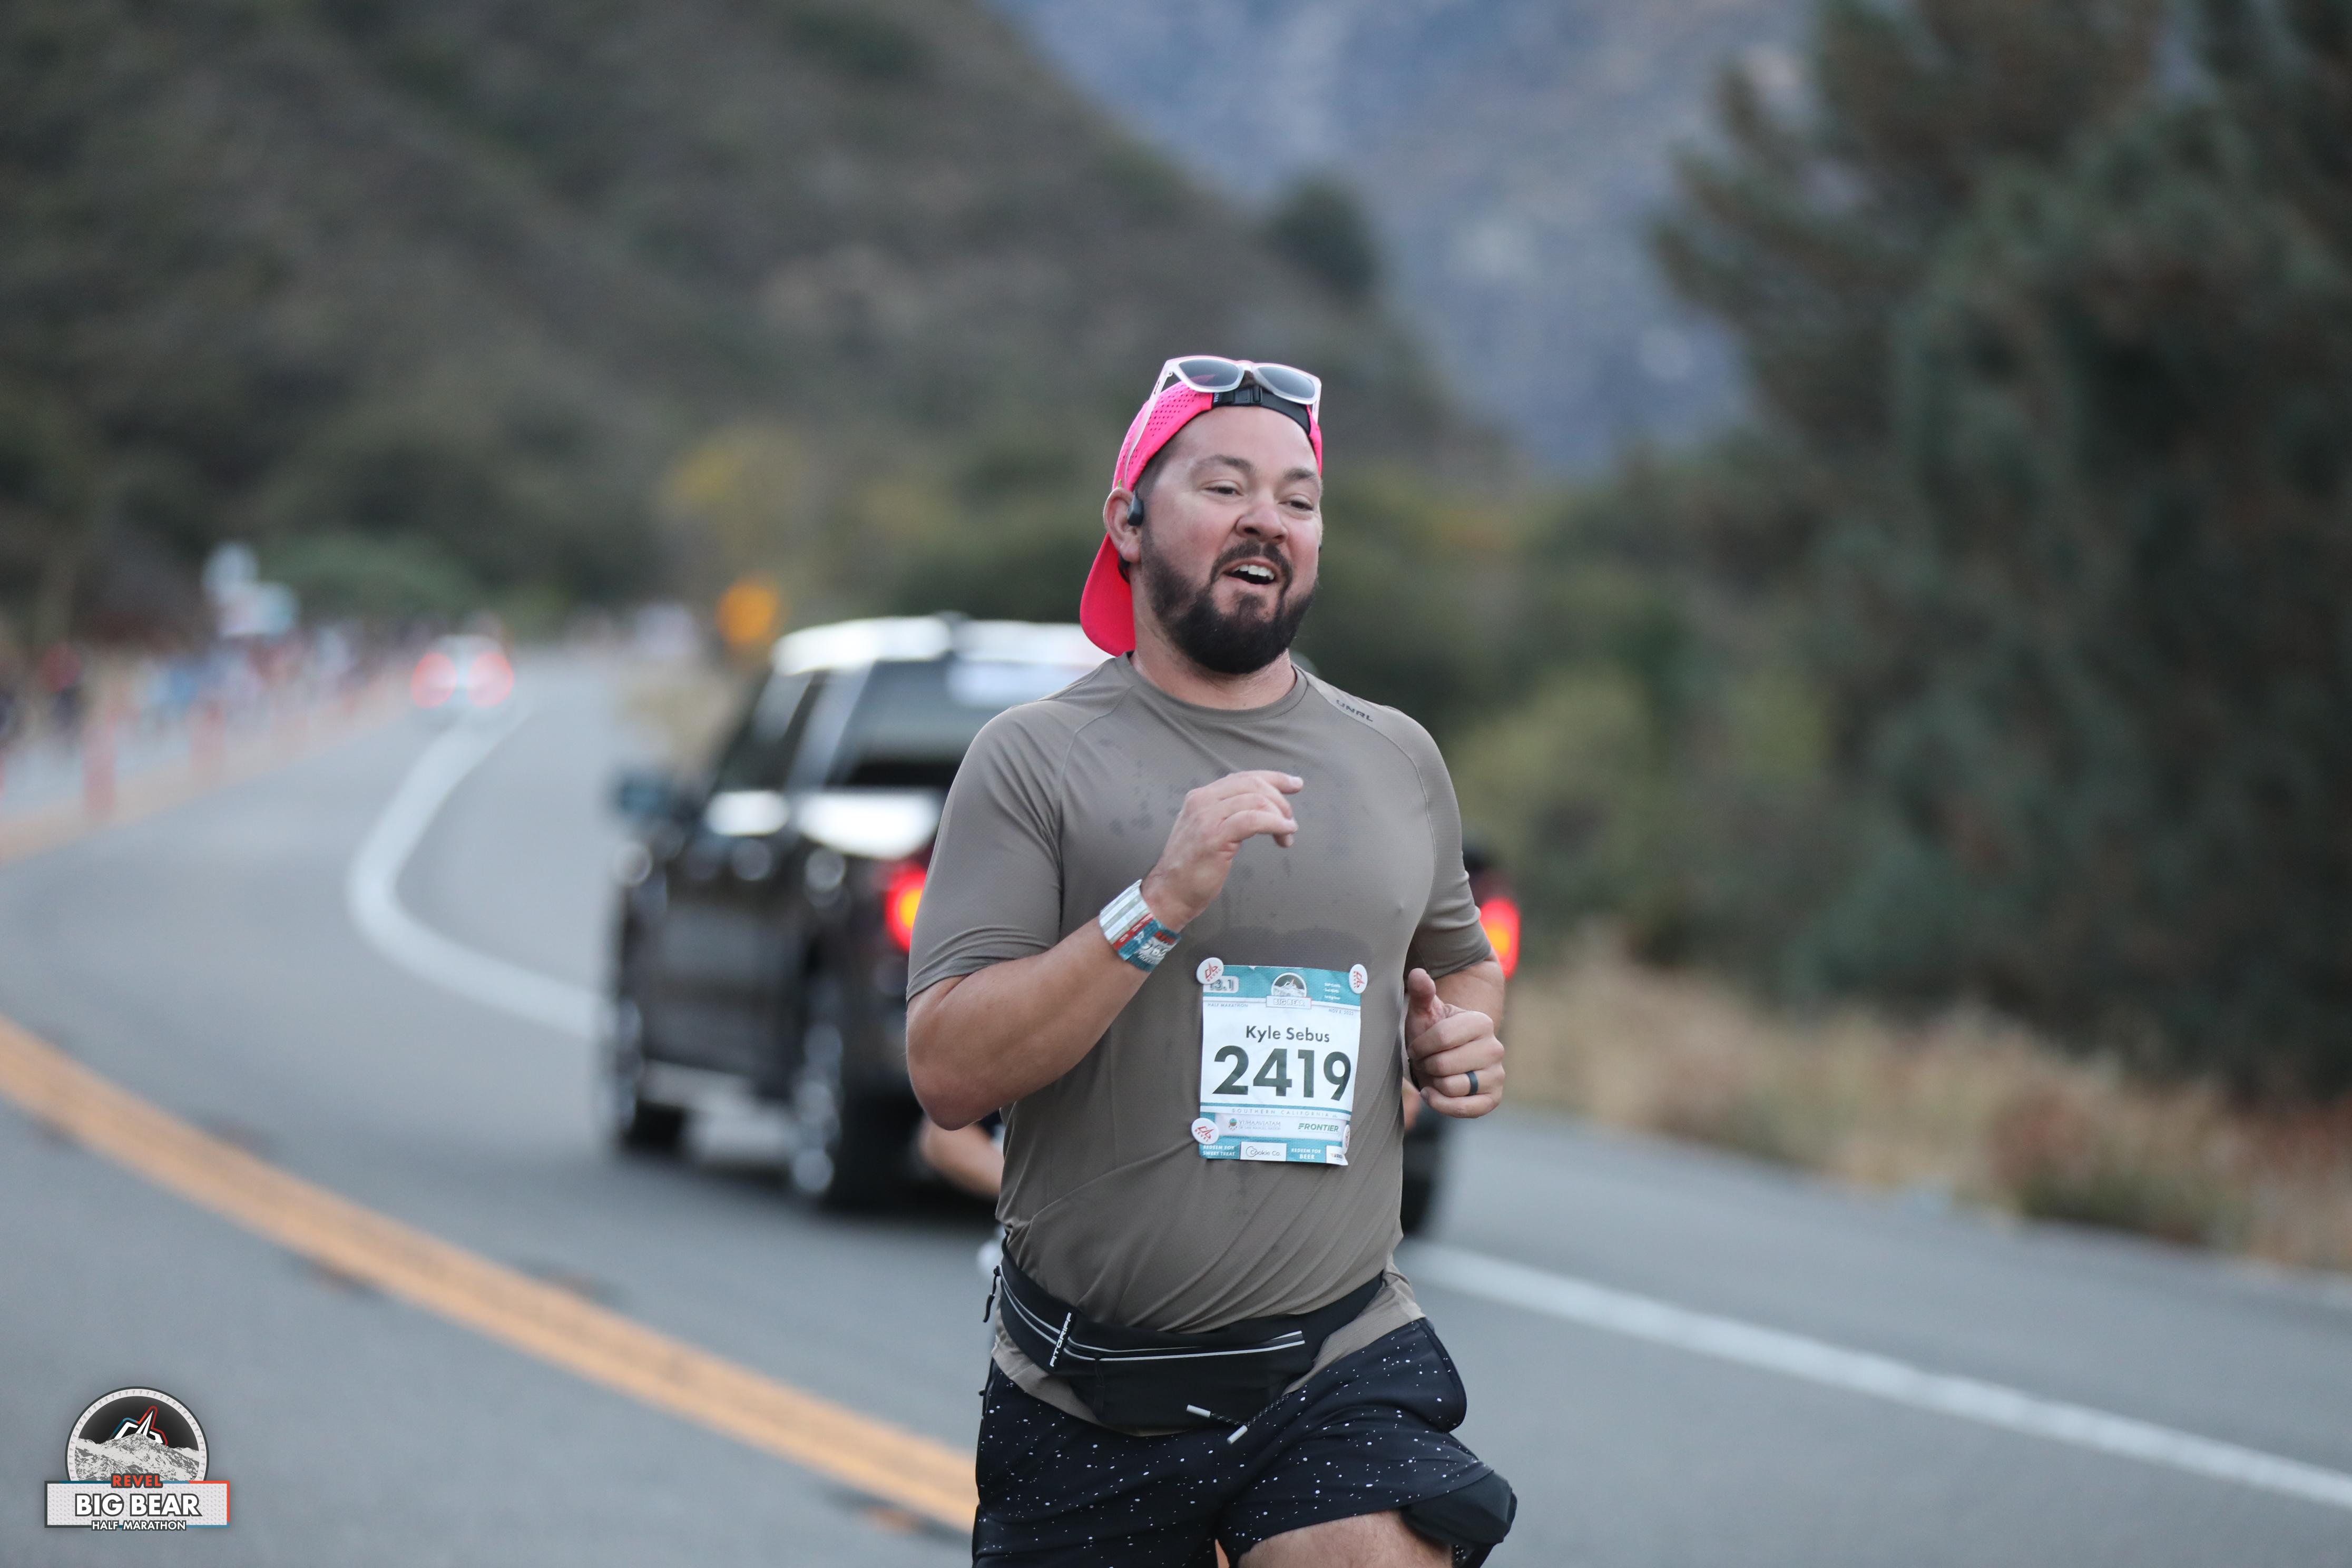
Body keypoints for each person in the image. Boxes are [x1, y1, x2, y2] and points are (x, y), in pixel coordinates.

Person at [907, 357, 1515, 1567]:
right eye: (1226, 487)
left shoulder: (1396, 759)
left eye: (1298, 499)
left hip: (1334, 1360)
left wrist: (1458, 1040)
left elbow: (1463, 964)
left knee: (1369, 1547)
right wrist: (1158, 903)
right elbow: (948, 1070)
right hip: (1083, 1388)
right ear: (1128, 522)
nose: (1267, 521)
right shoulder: (1034, 760)